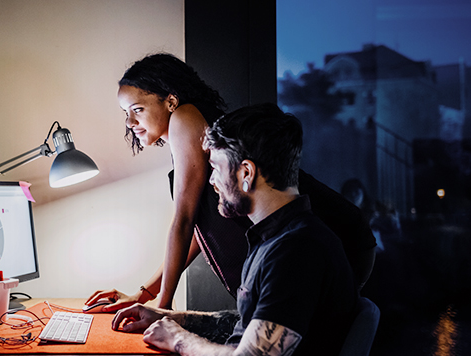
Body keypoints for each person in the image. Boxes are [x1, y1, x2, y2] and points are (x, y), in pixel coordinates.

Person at [86, 54, 374, 312]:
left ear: (170, 101)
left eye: (137, 109)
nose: (129, 122)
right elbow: (198, 228)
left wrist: (162, 306)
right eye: (126, 113)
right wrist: (146, 295)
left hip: (339, 235)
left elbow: (184, 220)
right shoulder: (192, 131)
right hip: (333, 246)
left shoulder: (184, 118)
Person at [113, 104, 359, 356]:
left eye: (215, 168)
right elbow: (246, 323)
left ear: (246, 173)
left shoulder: (295, 251)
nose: (212, 183)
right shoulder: (275, 237)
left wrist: (177, 339)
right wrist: (169, 318)